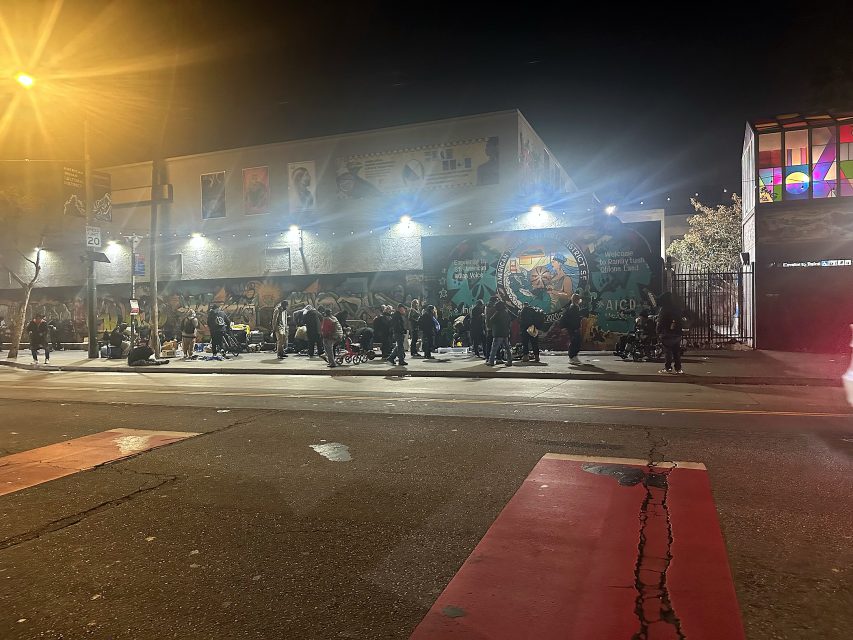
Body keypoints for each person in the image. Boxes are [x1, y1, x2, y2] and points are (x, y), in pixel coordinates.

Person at [656, 292, 685, 374]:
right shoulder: (677, 308)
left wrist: (658, 332)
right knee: (676, 352)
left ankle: (668, 368)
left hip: (666, 333)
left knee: (668, 351)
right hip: (677, 333)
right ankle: (678, 368)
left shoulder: (664, 309)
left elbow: (660, 322)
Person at [486, 301, 513, 367]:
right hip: (505, 333)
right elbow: (509, 322)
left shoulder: (497, 313)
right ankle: (509, 361)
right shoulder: (506, 313)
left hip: (498, 333)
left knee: (494, 348)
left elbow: (491, 320)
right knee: (507, 348)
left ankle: (491, 361)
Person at [560, 293, 583, 365]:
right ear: (577, 300)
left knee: (575, 342)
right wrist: (575, 327)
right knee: (575, 342)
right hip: (573, 328)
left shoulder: (573, 307)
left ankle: (573, 356)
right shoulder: (574, 308)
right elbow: (573, 319)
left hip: (572, 328)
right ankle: (572, 357)